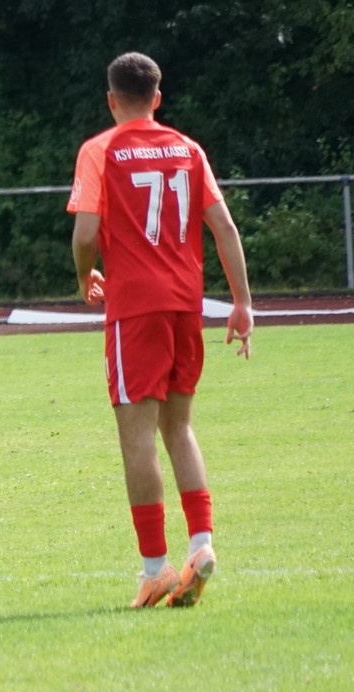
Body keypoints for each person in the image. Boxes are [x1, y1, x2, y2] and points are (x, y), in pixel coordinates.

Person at [68, 52, 253, 608]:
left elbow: (85, 234)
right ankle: (201, 543)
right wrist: (242, 303)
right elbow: (224, 227)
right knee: (180, 428)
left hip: (135, 309)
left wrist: (84, 276)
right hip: (185, 305)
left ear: (110, 99)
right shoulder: (188, 149)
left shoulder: (100, 149)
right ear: (158, 97)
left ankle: (156, 569)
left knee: (138, 437)